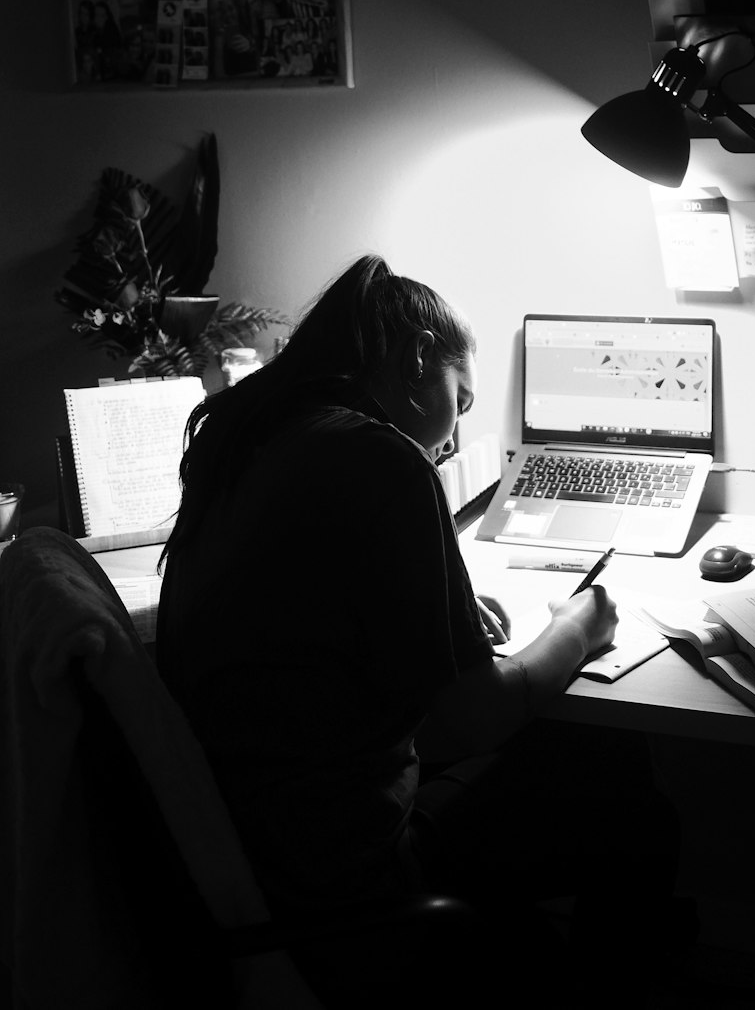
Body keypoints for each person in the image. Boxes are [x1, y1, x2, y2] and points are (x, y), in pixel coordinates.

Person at [156, 256, 682, 1002]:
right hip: (347, 872)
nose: (456, 435)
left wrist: (439, 613)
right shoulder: (378, 456)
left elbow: (314, 626)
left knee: (593, 760)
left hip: (255, 845)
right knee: (627, 795)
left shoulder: (250, 438)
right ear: (415, 361)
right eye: (460, 401)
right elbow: (464, 722)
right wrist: (577, 626)